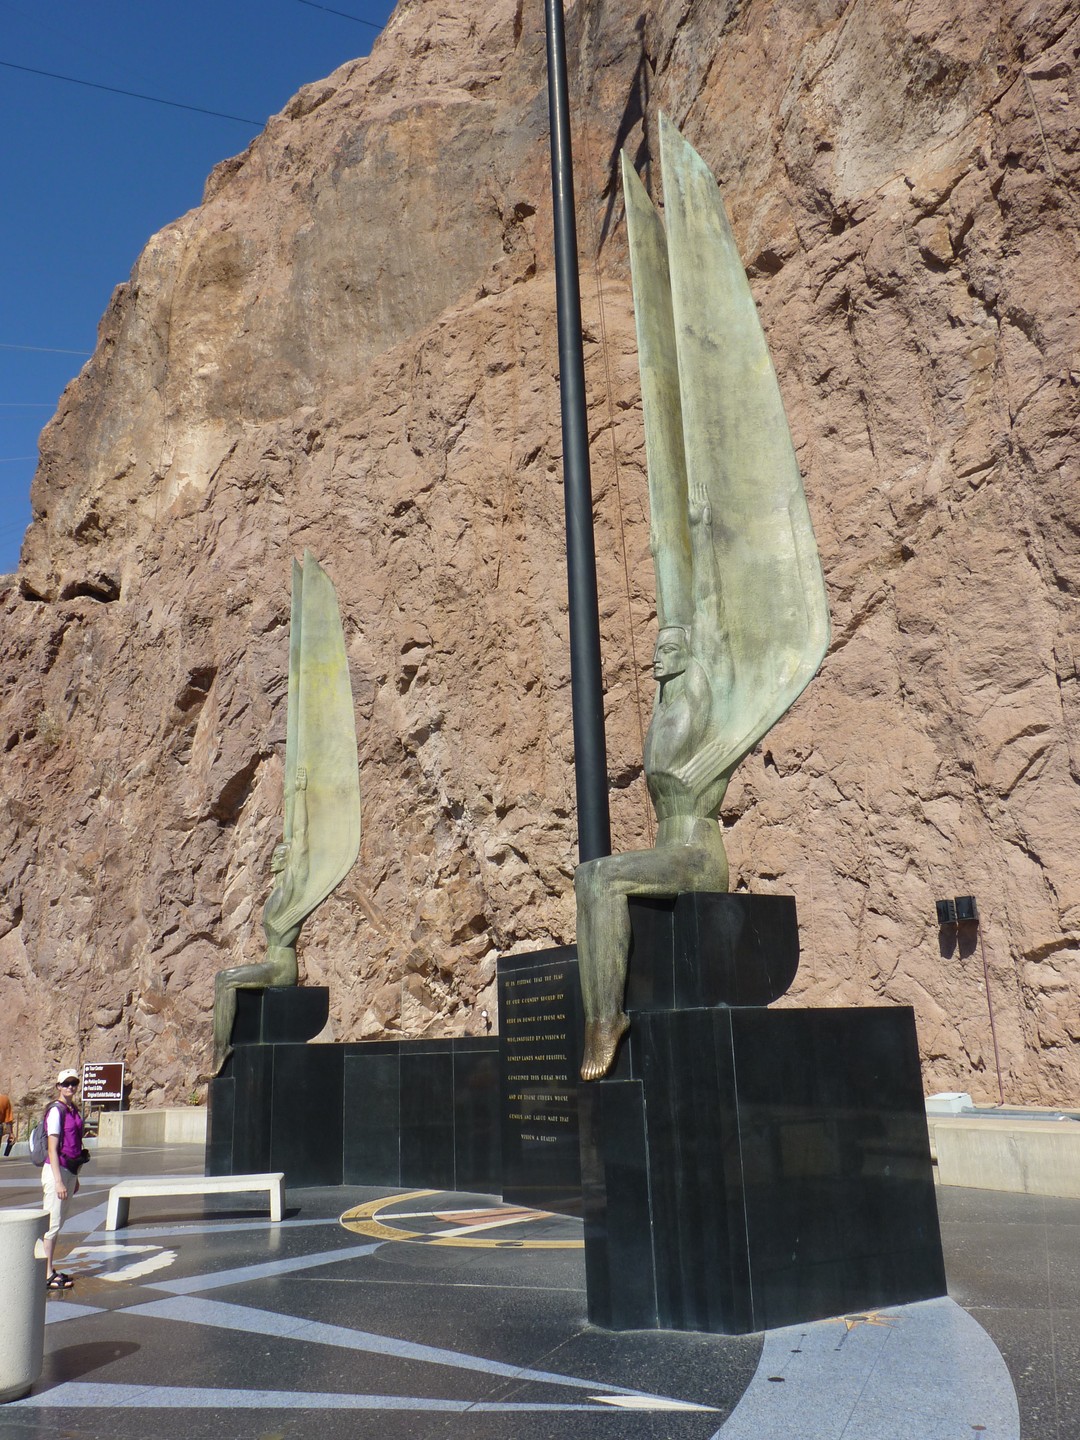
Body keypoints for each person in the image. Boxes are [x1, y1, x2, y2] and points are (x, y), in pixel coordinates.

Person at [41, 1067, 85, 1290]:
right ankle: (45, 1273)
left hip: (69, 1171)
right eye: (66, 1083)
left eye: (73, 1083)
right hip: (56, 1171)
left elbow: (76, 1144)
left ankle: (49, 1268)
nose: (70, 1087)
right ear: (58, 1086)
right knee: (52, 1223)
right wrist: (58, 1181)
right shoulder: (56, 1111)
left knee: (58, 1223)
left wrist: (74, 1178)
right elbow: (52, 1148)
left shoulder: (73, 1109)